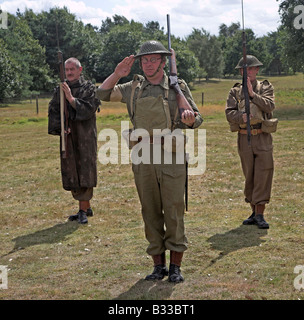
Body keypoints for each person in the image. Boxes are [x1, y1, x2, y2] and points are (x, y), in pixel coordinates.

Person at [96, 40, 203, 282]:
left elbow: (197, 120)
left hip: (171, 156)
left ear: (164, 62)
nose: (148, 64)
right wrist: (117, 73)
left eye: (154, 59)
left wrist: (187, 116)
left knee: (174, 210)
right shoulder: (132, 87)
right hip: (143, 155)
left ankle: (175, 267)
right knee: (150, 211)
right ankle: (158, 265)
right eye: (145, 59)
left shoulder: (177, 86)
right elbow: (101, 94)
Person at [225, 55, 276, 229]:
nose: (246, 72)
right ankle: (254, 212)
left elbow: (269, 106)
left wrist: (253, 95)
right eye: (243, 69)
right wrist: (241, 116)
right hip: (244, 136)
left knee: (264, 173)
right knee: (250, 175)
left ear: (256, 70)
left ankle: (260, 213)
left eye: (250, 68)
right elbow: (228, 112)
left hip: (262, 137)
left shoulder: (265, 87)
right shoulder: (235, 91)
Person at [48, 57, 100, 224]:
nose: (69, 73)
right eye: (67, 70)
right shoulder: (60, 89)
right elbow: (54, 110)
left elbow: (89, 110)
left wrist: (71, 99)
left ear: (80, 70)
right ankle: (86, 207)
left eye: (72, 69)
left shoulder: (89, 89)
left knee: (85, 169)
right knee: (72, 169)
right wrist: (61, 128)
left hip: (85, 136)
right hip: (69, 137)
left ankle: (82, 210)